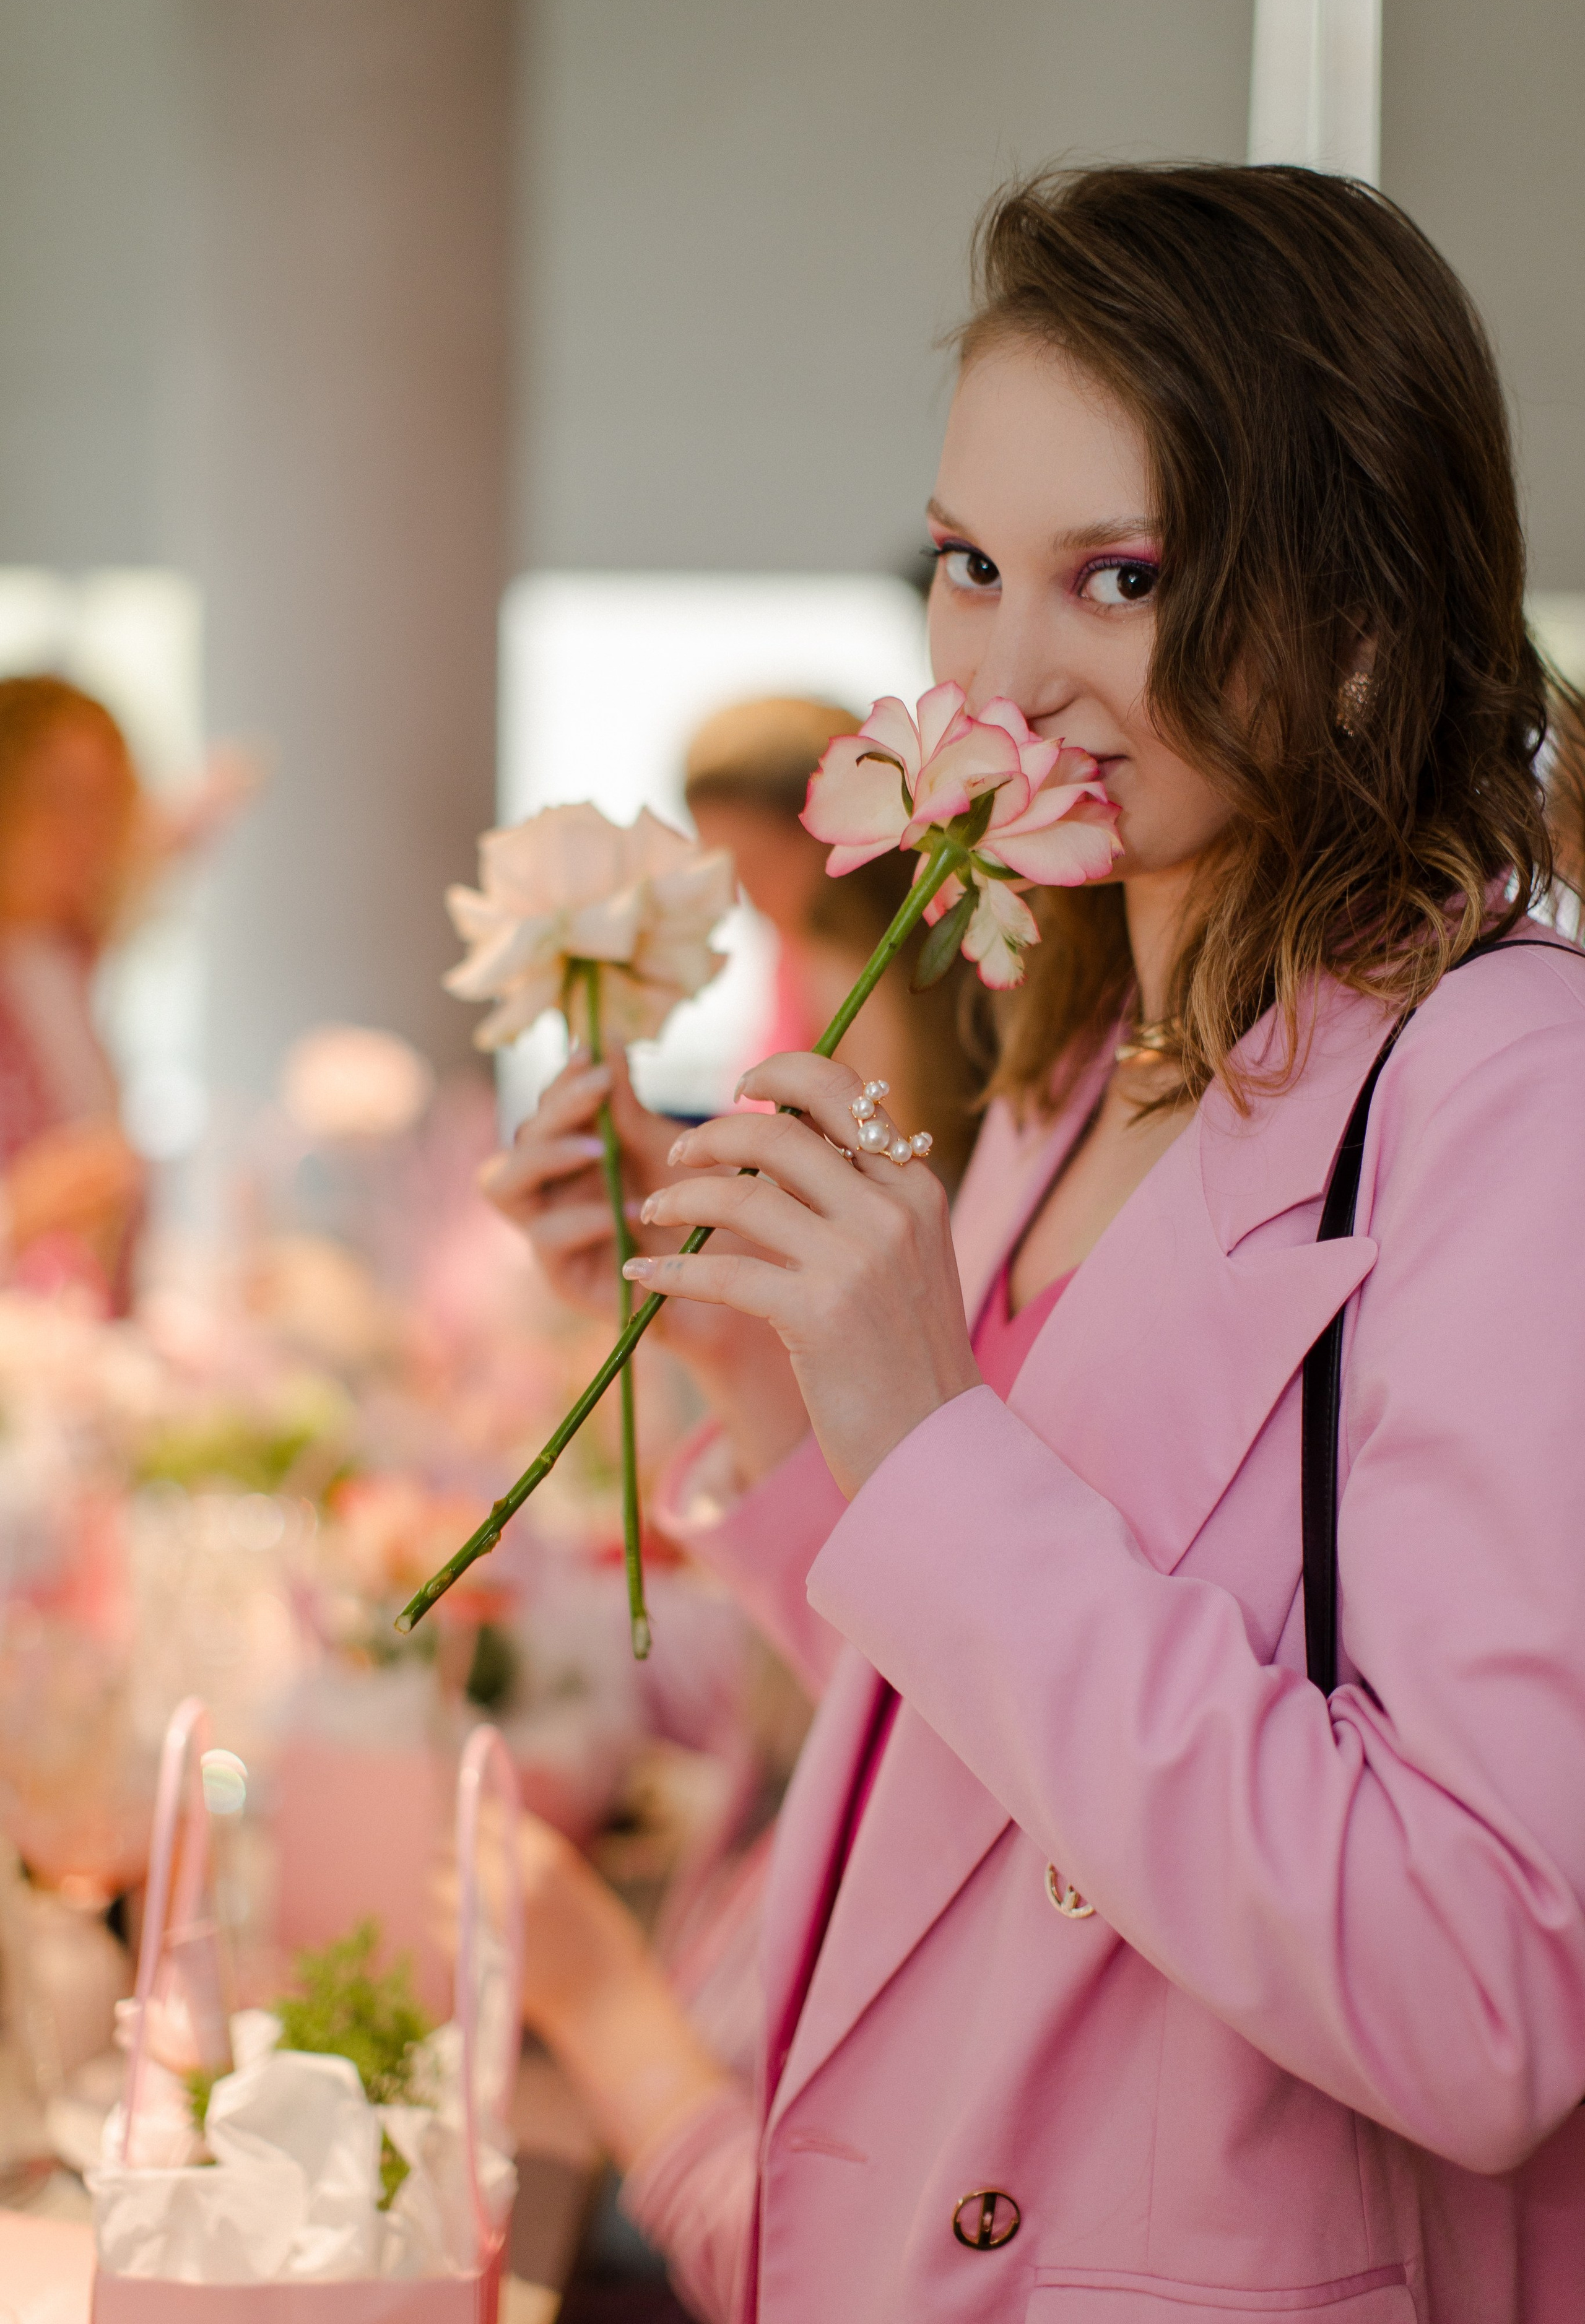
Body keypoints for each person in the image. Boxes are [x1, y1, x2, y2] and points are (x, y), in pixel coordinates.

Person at [486, 165, 1585, 2322]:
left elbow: (1481, 1996)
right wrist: (746, 1375)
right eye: (971, 566)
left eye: (1124, 577)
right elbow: (999, 1765)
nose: (1003, 677)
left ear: (1364, 617)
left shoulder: (1509, 1093)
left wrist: (928, 1442)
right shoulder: (1087, 1053)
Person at [684, 695, 984, 1189]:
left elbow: (889, 1155)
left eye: (753, 865)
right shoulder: (804, 954)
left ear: (830, 837)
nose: (740, 895)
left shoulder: (843, 966)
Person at [0, 677, 147, 1301]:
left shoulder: (67, 971)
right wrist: (23, 1209)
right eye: (58, 798)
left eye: (105, 804)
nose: (86, 834)